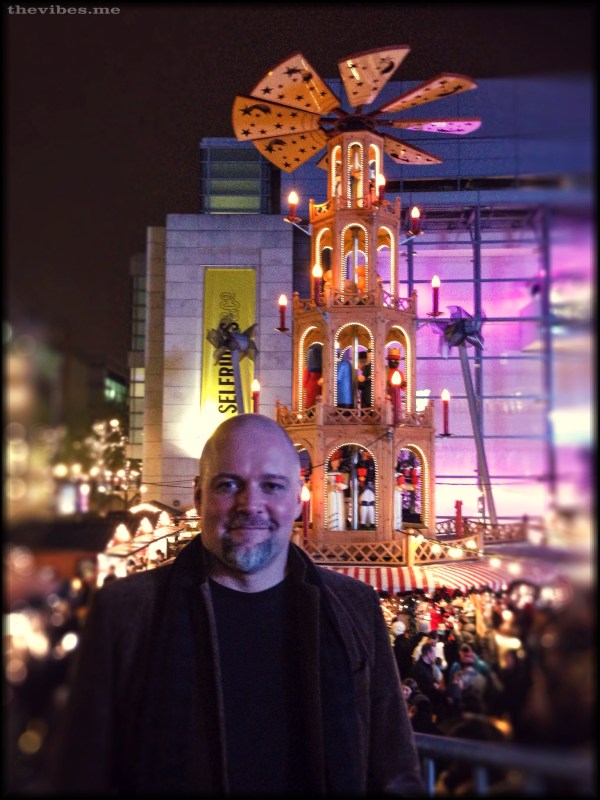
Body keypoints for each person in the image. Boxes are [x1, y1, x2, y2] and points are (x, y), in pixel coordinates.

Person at [51, 414, 424, 795]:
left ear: (299, 498)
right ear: (199, 496)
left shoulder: (354, 607)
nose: (251, 505)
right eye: (229, 484)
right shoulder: (125, 613)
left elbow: (393, 770)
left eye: (272, 486)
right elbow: (83, 773)